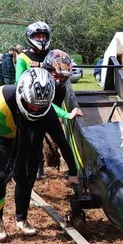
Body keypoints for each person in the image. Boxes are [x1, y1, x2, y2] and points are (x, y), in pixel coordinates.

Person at [0, 68, 80, 241]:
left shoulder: (46, 111)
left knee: (26, 176)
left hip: (21, 134)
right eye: (32, 104)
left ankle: (22, 219)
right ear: (22, 95)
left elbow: (62, 142)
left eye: (40, 106)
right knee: (1, 175)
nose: (35, 109)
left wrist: (73, 172)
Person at [37, 49, 84, 178]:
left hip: (49, 115)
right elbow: (45, 102)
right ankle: (37, 169)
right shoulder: (38, 82)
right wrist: (66, 114)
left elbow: (52, 107)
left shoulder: (61, 88)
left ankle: (73, 174)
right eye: (55, 76)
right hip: (33, 116)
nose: (58, 80)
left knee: (62, 142)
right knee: (33, 143)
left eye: (62, 77)